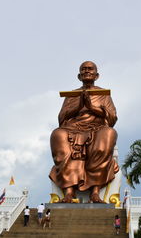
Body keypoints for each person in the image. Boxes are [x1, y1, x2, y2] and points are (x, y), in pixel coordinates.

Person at [49, 61, 119, 203]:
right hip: (73, 127)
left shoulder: (103, 94)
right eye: (84, 69)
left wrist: (91, 107)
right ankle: (69, 191)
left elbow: (112, 118)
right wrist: (79, 105)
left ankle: (95, 191)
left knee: (109, 133)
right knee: (57, 134)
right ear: (79, 76)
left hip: (97, 127)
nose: (87, 71)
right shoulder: (72, 95)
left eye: (90, 69)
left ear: (97, 75)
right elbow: (61, 118)